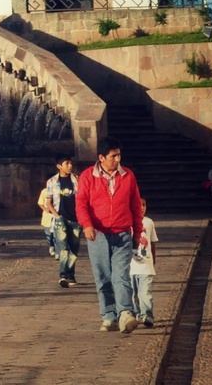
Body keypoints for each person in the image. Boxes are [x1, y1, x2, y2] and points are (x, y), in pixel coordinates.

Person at [76, 139, 144, 333]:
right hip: (97, 234)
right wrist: (87, 225)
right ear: (101, 158)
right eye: (113, 156)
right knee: (103, 276)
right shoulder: (88, 176)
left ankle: (126, 313)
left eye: (119, 155)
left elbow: (136, 205)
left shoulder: (128, 176)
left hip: (122, 233)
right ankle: (108, 315)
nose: (117, 159)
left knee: (121, 275)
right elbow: (81, 204)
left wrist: (138, 231)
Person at [39, 153, 79, 288]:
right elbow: (48, 202)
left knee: (74, 249)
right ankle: (63, 275)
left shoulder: (77, 180)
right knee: (63, 249)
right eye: (67, 163)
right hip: (60, 219)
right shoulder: (52, 182)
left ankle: (71, 274)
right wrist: (56, 216)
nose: (70, 166)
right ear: (59, 166)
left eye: (71, 163)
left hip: (75, 219)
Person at [130, 197, 158, 327]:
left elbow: (152, 243)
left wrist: (153, 259)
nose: (141, 208)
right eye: (138, 205)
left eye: (144, 205)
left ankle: (147, 315)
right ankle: (137, 315)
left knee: (145, 293)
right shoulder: (126, 222)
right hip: (130, 267)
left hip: (146, 266)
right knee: (133, 294)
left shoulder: (149, 222)